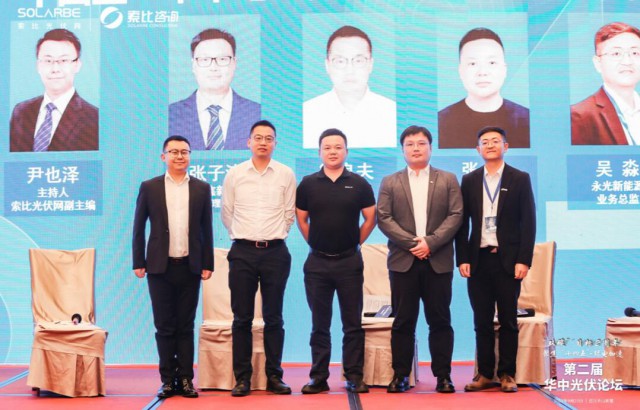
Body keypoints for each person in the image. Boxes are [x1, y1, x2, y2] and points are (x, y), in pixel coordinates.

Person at [377, 125, 463, 394]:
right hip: (403, 262)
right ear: (403, 150)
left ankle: (443, 376)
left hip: (438, 262)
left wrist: (431, 243)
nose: (416, 148)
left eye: (421, 143)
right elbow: (384, 218)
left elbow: (456, 215)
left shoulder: (447, 179)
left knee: (440, 321)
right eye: (410, 144)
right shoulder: (390, 181)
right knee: (403, 321)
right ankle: (401, 375)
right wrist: (414, 244)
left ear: (430, 147)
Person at [132, 135, 214, 399]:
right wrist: (138, 261)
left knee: (185, 326)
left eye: (184, 152)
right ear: (163, 156)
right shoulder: (150, 187)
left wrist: (208, 263)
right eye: (174, 152)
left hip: (190, 266)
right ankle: (168, 380)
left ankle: (186, 379)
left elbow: (206, 229)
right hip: (159, 267)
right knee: (164, 326)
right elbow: (138, 226)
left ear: (190, 156)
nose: (180, 156)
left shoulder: (201, 188)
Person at [295, 128, 376, 394]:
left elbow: (371, 218)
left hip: (349, 263)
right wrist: (315, 243)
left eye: (338, 147)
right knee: (320, 325)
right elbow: (301, 219)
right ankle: (318, 377)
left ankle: (354, 376)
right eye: (327, 147)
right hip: (317, 264)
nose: (333, 151)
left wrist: (354, 243)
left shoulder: (360, 183)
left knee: (352, 324)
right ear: (319, 152)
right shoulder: (308, 183)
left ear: (346, 151)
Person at [456, 126, 536, 393]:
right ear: (478, 149)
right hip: (478, 260)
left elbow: (529, 222)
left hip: (508, 260)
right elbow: (462, 223)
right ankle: (484, 373)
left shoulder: (519, 178)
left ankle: (507, 374)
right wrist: (462, 257)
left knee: (508, 320)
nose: (490, 145)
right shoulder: (469, 180)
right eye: (485, 142)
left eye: (495, 141)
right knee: (481, 321)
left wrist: (524, 260)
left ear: (506, 146)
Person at [221, 120, 296, 396]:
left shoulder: (285, 173)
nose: (263, 142)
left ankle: (275, 376)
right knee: (242, 318)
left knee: (274, 317)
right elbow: (227, 213)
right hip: (242, 252)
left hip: (275, 252)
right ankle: (242, 378)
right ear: (249, 142)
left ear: (275, 143)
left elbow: (289, 213)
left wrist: (275, 234)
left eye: (269, 138)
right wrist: (243, 236)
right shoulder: (235, 174)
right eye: (258, 138)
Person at [303, 25, 396, 149]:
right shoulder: (308, 113)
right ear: (327, 65)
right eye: (340, 61)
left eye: (358, 61)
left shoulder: (390, 112)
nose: (349, 70)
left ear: (370, 64)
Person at [169, 28, 260, 150]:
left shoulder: (257, 113)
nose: (213, 67)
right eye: (204, 60)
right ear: (193, 65)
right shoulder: (170, 115)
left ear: (234, 63)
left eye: (222, 59)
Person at [438, 28, 529, 149]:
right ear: (460, 71)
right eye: (472, 64)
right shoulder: (441, 121)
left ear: (504, 69)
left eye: (491, 63)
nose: (482, 72)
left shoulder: (526, 119)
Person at [10, 28, 99, 152]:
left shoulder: (95, 118)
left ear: (77, 65)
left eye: (63, 60)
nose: (55, 69)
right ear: (38, 66)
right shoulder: (21, 111)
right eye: (48, 60)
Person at [571, 22, 640, 145]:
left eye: (635, 53)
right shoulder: (579, 116)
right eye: (616, 53)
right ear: (598, 63)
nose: (627, 61)